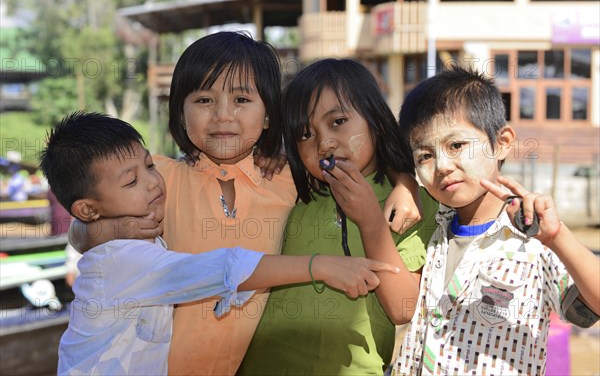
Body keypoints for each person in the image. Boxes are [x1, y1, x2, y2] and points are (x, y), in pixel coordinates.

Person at [68, 32, 423, 375]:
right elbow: (83, 222)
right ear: (180, 112)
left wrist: (405, 182)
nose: (223, 115)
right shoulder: (158, 177)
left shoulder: (289, 180)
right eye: (204, 100)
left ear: (269, 115)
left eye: (241, 100)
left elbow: (360, 149)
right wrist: (109, 229)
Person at [41, 112, 400, 375]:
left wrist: (405, 182)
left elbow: (387, 147)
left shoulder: (277, 177)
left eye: (150, 166)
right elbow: (224, 268)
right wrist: (319, 266)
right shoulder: (123, 255)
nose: (152, 183)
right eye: (132, 180)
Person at [391, 66, 600, 375]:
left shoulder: (535, 240)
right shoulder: (428, 227)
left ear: (501, 142)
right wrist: (403, 183)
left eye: (456, 145)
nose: (443, 166)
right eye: (424, 156)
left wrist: (558, 238)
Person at [239, 59, 440, 375]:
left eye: (338, 122)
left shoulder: (413, 205)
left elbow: (403, 308)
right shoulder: (287, 190)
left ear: (377, 121)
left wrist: (371, 219)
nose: (324, 143)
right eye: (305, 134)